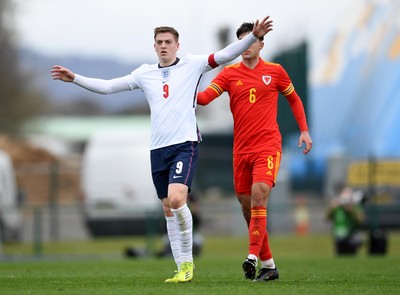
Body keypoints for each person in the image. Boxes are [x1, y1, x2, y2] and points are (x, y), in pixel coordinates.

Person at [51, 18, 273, 283]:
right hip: (158, 149)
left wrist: (252, 37)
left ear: (177, 45)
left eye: (169, 42)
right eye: (159, 42)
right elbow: (109, 87)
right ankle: (181, 269)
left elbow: (226, 54)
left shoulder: (193, 64)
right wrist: (75, 78)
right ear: (154, 47)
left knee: (178, 199)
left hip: (185, 145)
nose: (164, 46)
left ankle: (189, 264)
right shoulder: (145, 73)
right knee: (168, 208)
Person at [197, 22, 312, 282]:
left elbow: (293, 98)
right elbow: (204, 99)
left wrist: (304, 131)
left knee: (260, 195)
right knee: (248, 207)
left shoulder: (276, 71)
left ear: (261, 44)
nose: (246, 46)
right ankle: (269, 265)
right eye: (242, 42)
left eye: (251, 40)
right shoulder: (228, 74)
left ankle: (251, 257)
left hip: (267, 146)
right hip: (241, 151)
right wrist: (184, 87)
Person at [326, 185, 365, 255]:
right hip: (340, 234)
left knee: (356, 240)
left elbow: (361, 220)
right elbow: (327, 218)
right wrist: (331, 208)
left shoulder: (355, 207)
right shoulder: (337, 208)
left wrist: (352, 210)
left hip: (352, 234)